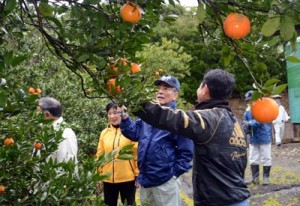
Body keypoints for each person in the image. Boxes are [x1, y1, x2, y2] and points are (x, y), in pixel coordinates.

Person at [127, 69, 250, 206]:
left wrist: (132, 97)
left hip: (218, 201)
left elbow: (170, 118)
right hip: (238, 197)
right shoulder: (236, 123)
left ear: (204, 89)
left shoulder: (209, 119)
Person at [120, 74, 193, 206]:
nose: (160, 91)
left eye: (166, 88)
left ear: (175, 95)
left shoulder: (178, 119)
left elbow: (186, 153)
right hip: (146, 180)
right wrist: (124, 117)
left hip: (165, 181)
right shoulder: (147, 117)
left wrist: (173, 175)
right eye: (159, 88)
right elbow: (134, 133)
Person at [96, 102, 139, 206]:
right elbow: (100, 155)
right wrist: (98, 176)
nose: (112, 116)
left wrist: (137, 174)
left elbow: (136, 154)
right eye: (110, 113)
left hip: (127, 178)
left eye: (115, 113)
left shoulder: (130, 131)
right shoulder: (104, 133)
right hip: (108, 179)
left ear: (121, 113)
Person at [243, 90, 272, 186]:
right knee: (253, 158)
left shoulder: (263, 108)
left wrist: (249, 123)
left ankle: (266, 178)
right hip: (253, 137)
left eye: (251, 100)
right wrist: (245, 126)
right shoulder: (248, 110)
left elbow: (260, 120)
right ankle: (255, 178)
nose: (249, 102)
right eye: (248, 101)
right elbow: (245, 121)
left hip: (264, 136)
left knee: (266, 157)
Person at [37, 97, 78, 163]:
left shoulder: (65, 134)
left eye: (37, 112)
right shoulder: (46, 130)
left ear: (47, 115)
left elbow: (65, 164)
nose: (35, 115)